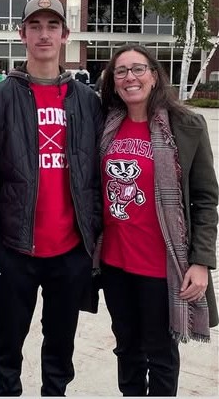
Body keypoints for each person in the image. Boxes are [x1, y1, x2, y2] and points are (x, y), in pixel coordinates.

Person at [0, 0, 104, 396]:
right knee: (7, 344)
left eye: (52, 26)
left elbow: (99, 174)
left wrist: (94, 236)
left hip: (70, 251)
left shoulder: (88, 101)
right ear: (22, 34)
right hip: (16, 249)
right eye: (35, 26)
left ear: (66, 35)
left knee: (60, 344)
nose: (43, 34)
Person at [98, 44, 218, 396]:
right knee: (127, 350)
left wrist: (201, 261)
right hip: (115, 263)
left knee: (161, 354)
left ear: (153, 74)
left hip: (162, 266)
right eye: (121, 71)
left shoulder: (186, 126)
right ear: (113, 81)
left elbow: (206, 199)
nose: (129, 77)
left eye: (138, 69)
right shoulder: (106, 124)